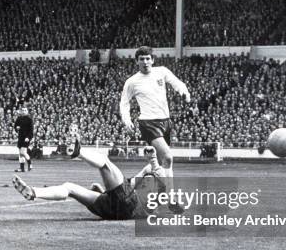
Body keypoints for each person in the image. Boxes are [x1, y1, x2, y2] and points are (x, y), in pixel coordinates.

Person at [12, 125, 165, 220]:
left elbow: (153, 177)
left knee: (105, 163)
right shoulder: (153, 193)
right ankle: (33, 192)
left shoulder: (151, 186)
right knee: (69, 187)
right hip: (113, 210)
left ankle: (79, 152)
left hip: (123, 206)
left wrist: (152, 160)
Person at [120, 46, 191, 177]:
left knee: (158, 162)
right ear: (137, 61)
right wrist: (127, 120)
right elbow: (124, 103)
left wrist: (184, 93)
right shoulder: (132, 82)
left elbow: (177, 83)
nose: (145, 62)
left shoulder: (162, 72)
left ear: (153, 60)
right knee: (168, 157)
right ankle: (169, 194)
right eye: (142, 59)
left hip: (165, 120)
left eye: (148, 59)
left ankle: (132, 183)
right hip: (148, 122)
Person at [14, 106, 33, 172]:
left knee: (23, 152)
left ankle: (30, 164)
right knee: (20, 153)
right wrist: (17, 128)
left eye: (25, 110)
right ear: (21, 111)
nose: (24, 111)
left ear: (27, 111)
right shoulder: (19, 118)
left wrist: (28, 137)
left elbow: (31, 130)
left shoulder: (29, 119)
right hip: (20, 137)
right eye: (23, 110)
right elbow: (15, 126)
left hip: (26, 138)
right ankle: (22, 168)